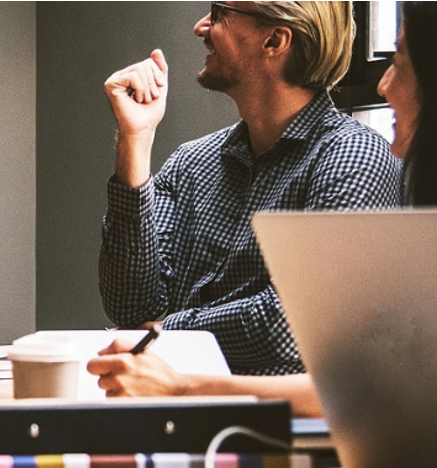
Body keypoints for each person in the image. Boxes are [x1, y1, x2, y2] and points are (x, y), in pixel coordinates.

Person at [89, 0, 437, 418]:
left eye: (218, 13)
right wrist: (135, 141)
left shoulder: (353, 157)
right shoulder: (191, 162)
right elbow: (130, 305)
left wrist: (164, 335)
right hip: (177, 414)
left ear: (274, 40)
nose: (201, 27)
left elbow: (292, 327)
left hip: (284, 430)